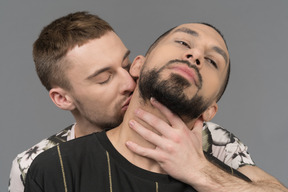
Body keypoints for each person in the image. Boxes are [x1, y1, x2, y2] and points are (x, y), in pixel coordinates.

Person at [24, 22, 287, 191]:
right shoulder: (53, 166)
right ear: (138, 65)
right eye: (184, 42)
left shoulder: (221, 155)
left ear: (210, 111)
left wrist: (201, 172)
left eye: (212, 61)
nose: (195, 56)